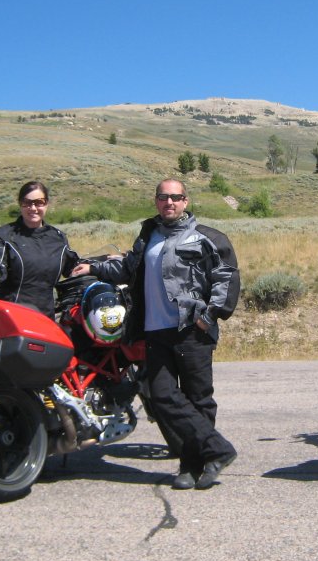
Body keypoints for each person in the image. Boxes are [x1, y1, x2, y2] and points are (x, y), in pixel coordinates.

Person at [72, 179, 240, 490]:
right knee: (162, 396)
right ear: (156, 202)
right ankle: (217, 449)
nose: (169, 203)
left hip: (191, 330)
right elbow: (127, 269)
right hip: (154, 330)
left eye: (176, 197)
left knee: (198, 398)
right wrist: (93, 269)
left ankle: (193, 466)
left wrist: (209, 316)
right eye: (164, 197)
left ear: (185, 201)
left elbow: (226, 276)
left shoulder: (206, 237)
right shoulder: (148, 236)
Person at [0, 181, 79, 319]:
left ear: (47, 204)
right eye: (27, 202)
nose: (33, 208)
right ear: (20, 204)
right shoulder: (3, 236)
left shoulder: (58, 238)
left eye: (39, 202)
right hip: (12, 319)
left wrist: (101, 267)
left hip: (46, 319)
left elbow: (73, 269)